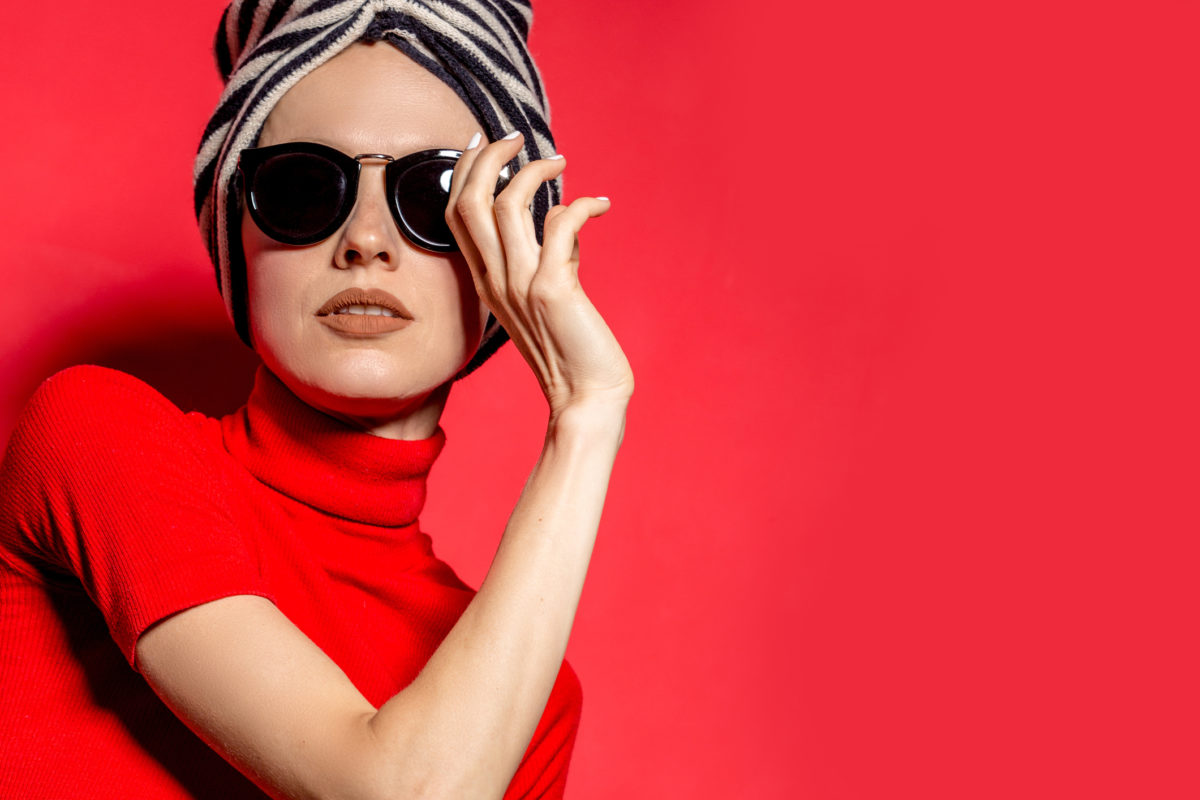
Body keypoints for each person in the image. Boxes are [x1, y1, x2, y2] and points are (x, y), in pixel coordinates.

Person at [0, 2, 632, 798]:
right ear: (237, 234)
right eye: (303, 188)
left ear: (510, 252)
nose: (365, 237)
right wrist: (584, 415)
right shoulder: (96, 435)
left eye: (433, 195)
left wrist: (587, 417)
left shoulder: (523, 695)